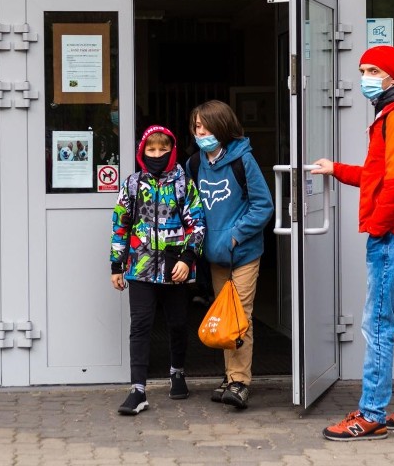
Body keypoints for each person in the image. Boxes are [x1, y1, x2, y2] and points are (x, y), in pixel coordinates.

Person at [313, 45, 394, 441]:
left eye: (372, 69)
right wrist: (335, 169)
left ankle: (371, 414)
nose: (365, 77)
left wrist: (377, 226)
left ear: (392, 75)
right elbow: (377, 175)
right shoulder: (393, 114)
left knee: (377, 323)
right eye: (362, 69)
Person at [110, 125, 205, 415]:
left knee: (177, 323)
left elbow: (197, 224)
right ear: (142, 152)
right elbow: (120, 225)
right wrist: (116, 264)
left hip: (175, 268)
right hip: (139, 268)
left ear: (171, 150)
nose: (157, 154)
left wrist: (187, 259)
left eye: (163, 149)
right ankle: (137, 390)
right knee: (140, 326)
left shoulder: (183, 184)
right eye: (151, 150)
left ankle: (177, 371)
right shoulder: (131, 185)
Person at [187, 100, 274, 410]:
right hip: (214, 254)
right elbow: (192, 207)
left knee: (240, 315)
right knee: (224, 314)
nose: (201, 132)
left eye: (206, 126)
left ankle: (239, 381)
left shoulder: (242, 161)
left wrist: (236, 236)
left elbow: (264, 206)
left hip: (244, 251)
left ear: (221, 127)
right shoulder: (195, 164)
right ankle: (230, 376)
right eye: (197, 126)